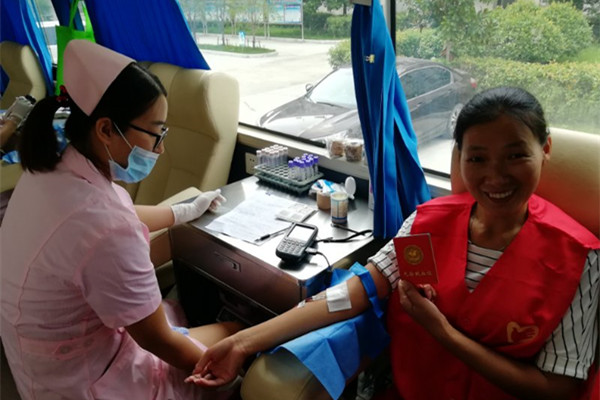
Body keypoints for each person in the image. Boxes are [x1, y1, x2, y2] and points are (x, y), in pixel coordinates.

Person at [187, 87, 600, 400]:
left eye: (515, 156)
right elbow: (356, 291)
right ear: (459, 158)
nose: (495, 176)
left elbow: (558, 386)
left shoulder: (580, 258)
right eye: (477, 158)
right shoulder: (427, 223)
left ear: (544, 149)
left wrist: (444, 333)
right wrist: (242, 342)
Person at [0, 39, 241, 400]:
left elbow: (112, 213)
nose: (161, 148)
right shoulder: (105, 226)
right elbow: (158, 340)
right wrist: (229, 376)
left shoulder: (51, 171)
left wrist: (183, 210)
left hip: (44, 364)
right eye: (156, 133)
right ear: (106, 129)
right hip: (92, 382)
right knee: (235, 335)